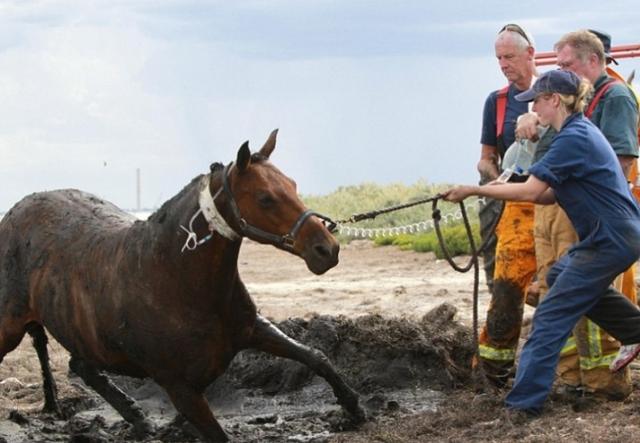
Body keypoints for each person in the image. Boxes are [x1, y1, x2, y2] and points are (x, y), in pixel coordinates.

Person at [444, 69, 640, 414]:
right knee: (560, 276)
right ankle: (636, 330)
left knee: (549, 316)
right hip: (609, 234)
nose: (532, 108)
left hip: (610, 237)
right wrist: (485, 188)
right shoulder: (575, 133)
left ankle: (523, 405)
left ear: (554, 100)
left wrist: (475, 189)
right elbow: (547, 195)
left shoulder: (573, 138)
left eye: (536, 100)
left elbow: (533, 190)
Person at [516, 30, 640, 399]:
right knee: (559, 278)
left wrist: (476, 189)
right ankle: (576, 374)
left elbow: (620, 162)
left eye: (568, 64)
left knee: (556, 309)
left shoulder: (614, 96)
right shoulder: (573, 120)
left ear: (593, 60)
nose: (565, 70)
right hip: (572, 211)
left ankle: (536, 399)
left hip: (598, 220)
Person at [475, 23, 538, 386]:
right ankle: (495, 370)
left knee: (555, 281)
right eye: (499, 58)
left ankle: (563, 363)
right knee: (503, 283)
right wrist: (492, 175)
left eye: (509, 57)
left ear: (530, 54)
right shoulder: (496, 102)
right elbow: (485, 156)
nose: (503, 65)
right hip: (509, 200)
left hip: (549, 201)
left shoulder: (556, 93)